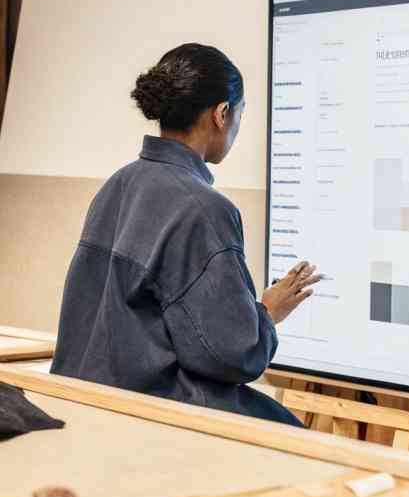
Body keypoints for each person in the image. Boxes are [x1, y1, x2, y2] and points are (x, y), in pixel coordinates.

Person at [52, 43, 319, 426]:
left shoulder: (118, 184)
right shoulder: (204, 210)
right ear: (221, 113)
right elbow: (230, 354)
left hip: (87, 404)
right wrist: (267, 314)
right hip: (148, 415)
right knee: (299, 438)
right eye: (240, 113)